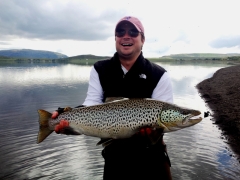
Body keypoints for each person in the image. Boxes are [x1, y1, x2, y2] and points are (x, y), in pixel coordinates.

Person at [53, 16, 173, 180]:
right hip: (114, 159)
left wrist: (153, 132)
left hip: (152, 159)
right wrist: (66, 116)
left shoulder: (159, 75)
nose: (126, 36)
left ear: (142, 40)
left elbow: (165, 122)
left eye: (133, 32)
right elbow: (91, 105)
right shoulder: (100, 69)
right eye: (120, 32)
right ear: (115, 38)